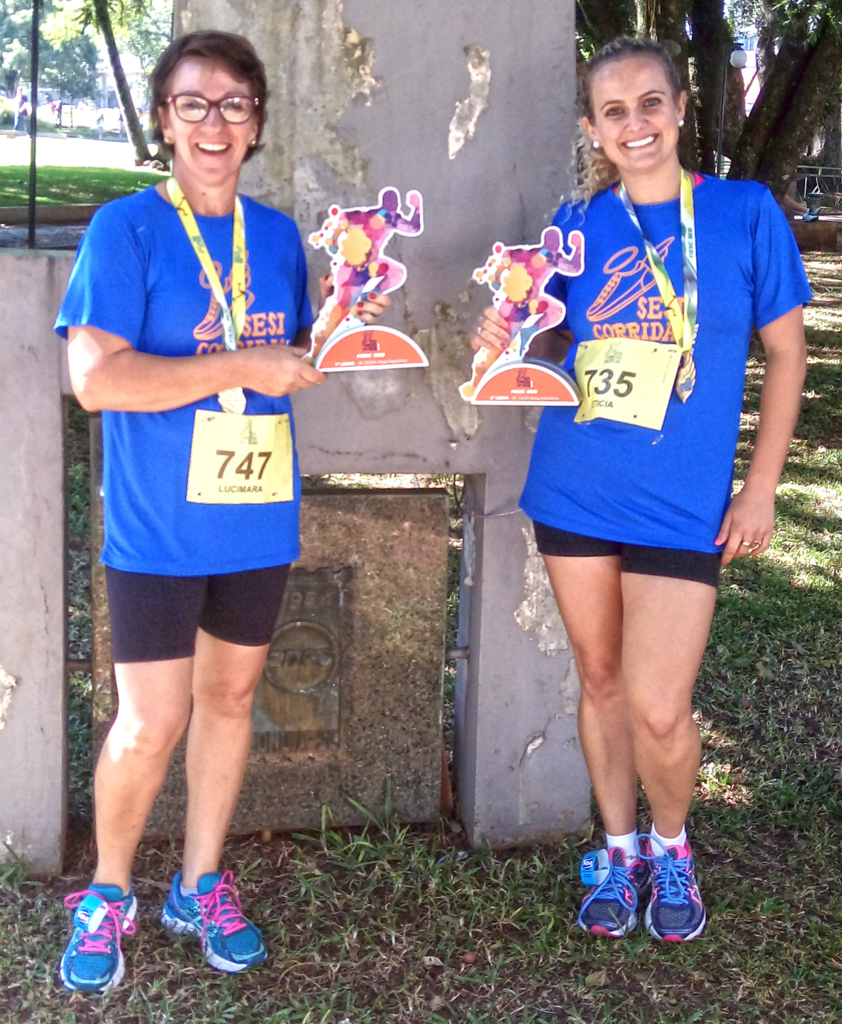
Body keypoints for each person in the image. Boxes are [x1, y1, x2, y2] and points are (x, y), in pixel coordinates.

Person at [54, 31, 389, 994]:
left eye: (234, 104)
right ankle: (109, 892)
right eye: (193, 103)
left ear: (256, 127)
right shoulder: (126, 229)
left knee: (232, 701)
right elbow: (97, 380)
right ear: (163, 121)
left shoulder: (280, 237)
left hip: (253, 516)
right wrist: (243, 367)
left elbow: (293, 351)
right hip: (158, 525)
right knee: (149, 723)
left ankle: (201, 882)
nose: (214, 121)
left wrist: (351, 322)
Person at [472, 36, 810, 943]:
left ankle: (672, 842)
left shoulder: (744, 212)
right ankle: (617, 849)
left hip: (684, 503)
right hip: (576, 488)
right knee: (602, 676)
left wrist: (762, 488)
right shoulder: (573, 227)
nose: (636, 124)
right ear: (593, 127)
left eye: (650, 104)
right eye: (615, 111)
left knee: (661, 707)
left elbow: (787, 354)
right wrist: (502, 337)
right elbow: (540, 344)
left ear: (681, 108)